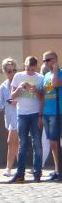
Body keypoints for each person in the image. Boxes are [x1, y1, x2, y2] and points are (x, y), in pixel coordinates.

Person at [9, 55, 45, 183]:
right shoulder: (18, 76)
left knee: (37, 144)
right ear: (24, 66)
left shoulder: (40, 78)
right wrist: (19, 88)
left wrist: (36, 90)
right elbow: (12, 96)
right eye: (27, 68)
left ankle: (37, 174)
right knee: (22, 144)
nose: (29, 71)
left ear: (36, 67)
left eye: (31, 69)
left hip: (35, 113)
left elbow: (42, 98)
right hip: (22, 113)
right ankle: (20, 174)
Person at [0, 58, 20, 177]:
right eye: (9, 71)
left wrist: (16, 102)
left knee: (10, 141)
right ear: (4, 71)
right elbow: (1, 102)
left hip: (20, 116)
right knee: (16, 143)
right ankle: (22, 166)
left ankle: (8, 168)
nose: (12, 73)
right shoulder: (3, 86)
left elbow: (27, 99)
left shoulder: (20, 83)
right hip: (10, 117)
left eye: (14, 70)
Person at [42, 50, 62, 181]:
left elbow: (55, 84)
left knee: (56, 141)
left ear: (55, 60)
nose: (45, 63)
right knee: (52, 143)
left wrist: (55, 70)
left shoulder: (59, 74)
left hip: (58, 111)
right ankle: (57, 169)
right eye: (44, 60)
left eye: (48, 60)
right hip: (47, 112)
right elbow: (43, 92)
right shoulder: (46, 75)